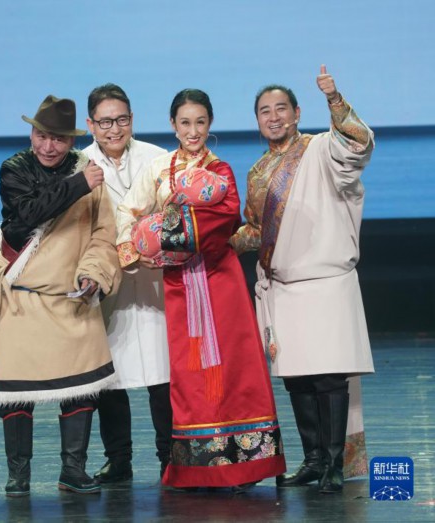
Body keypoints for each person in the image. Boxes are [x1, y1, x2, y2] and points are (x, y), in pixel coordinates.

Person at [116, 89, 286, 491]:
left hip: (219, 279)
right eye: (185, 123)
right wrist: (133, 249)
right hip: (178, 284)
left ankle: (244, 466)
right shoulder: (158, 169)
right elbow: (128, 210)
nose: (193, 131)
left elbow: (224, 219)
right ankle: (197, 468)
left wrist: (162, 235)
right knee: (191, 373)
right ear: (173, 125)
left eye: (201, 122)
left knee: (234, 367)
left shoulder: (220, 170)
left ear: (210, 125)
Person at [230, 65, 375, 494]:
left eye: (281, 109)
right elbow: (257, 230)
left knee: (328, 377)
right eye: (264, 111)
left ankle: (334, 463)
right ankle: (312, 460)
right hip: (283, 288)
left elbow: (358, 144)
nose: (273, 117)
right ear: (257, 120)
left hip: (326, 284)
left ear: (296, 113)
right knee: (297, 377)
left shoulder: (321, 149)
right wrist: (214, 241)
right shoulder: (258, 172)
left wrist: (334, 98)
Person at [0, 95, 121, 496]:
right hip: (24, 298)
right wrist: (79, 183)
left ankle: (73, 469)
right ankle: (18, 474)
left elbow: (103, 234)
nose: (48, 146)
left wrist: (93, 272)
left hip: (71, 299)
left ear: (71, 140)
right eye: (41, 136)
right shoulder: (15, 169)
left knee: (80, 388)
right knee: (16, 393)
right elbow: (28, 214)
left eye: (58, 138)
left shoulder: (88, 172)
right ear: (31, 133)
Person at [81, 84, 172, 482]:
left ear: (132, 119)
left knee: (163, 375)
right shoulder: (78, 166)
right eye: (105, 122)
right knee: (109, 377)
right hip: (108, 286)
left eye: (121, 120)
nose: (114, 129)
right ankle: (118, 459)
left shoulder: (158, 158)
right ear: (90, 125)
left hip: (156, 280)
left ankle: (171, 457)